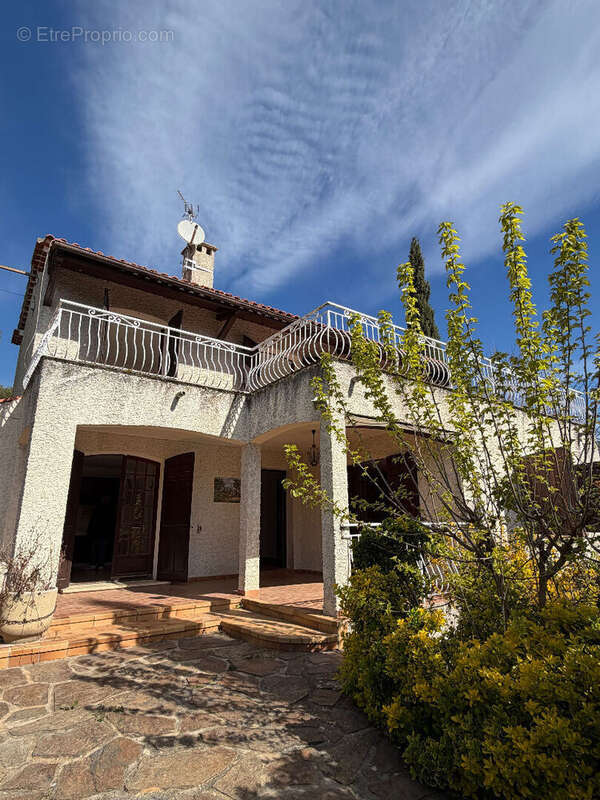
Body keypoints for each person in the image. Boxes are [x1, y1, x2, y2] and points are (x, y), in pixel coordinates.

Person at [88, 494, 116, 570]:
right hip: (99, 532)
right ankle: (97, 563)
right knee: (98, 548)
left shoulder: (107, 510)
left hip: (101, 532)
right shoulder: (103, 509)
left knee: (100, 548)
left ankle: (96, 563)